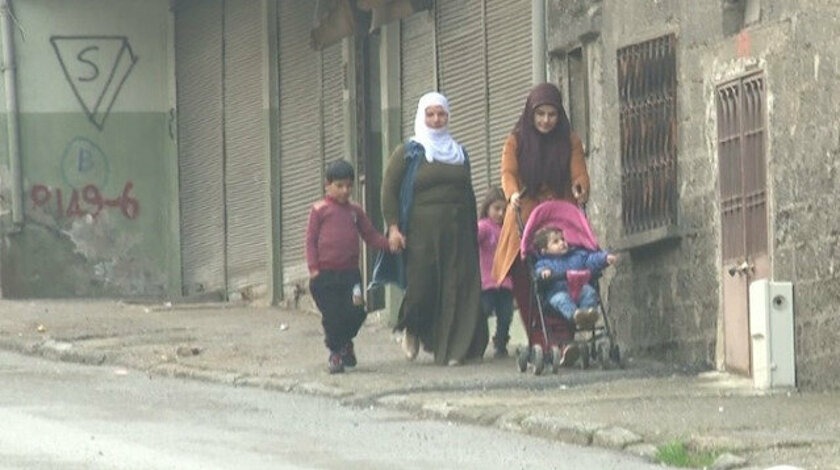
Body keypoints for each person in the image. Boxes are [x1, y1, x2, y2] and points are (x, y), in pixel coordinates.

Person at [380, 91, 487, 366]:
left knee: (457, 288)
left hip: (458, 230)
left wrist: (476, 229)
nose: (437, 119)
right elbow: (389, 191)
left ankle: (453, 350)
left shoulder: (459, 152)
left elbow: (468, 192)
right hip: (421, 233)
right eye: (431, 114)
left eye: (441, 114)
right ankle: (412, 327)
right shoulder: (409, 152)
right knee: (422, 286)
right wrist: (393, 228)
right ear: (421, 116)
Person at [491, 82, 591, 351]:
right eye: (540, 114)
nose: (546, 121)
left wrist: (580, 186)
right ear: (530, 114)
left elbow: (578, 171)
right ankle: (542, 340)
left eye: (552, 114)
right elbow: (508, 173)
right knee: (527, 278)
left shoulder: (569, 140)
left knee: (569, 271)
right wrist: (512, 194)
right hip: (526, 210)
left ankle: (565, 336)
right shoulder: (516, 140)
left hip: (560, 211)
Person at [306, 160, 391, 374]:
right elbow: (310, 241)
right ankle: (336, 353)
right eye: (340, 186)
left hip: (350, 274)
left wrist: (389, 244)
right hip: (325, 275)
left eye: (349, 186)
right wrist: (314, 269)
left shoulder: (355, 211)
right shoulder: (319, 210)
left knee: (356, 312)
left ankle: (345, 343)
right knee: (333, 316)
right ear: (328, 185)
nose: (345, 191)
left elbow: (370, 235)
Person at [532, 226, 617, 329]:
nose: (562, 243)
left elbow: (591, 260)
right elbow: (539, 270)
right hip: (556, 293)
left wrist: (604, 258)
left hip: (578, 289)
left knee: (589, 291)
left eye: (563, 239)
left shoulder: (576, 256)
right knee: (561, 298)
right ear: (544, 250)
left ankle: (587, 315)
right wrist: (544, 272)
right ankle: (576, 316)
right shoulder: (545, 263)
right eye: (556, 242)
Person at [477, 187, 514, 358]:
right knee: (483, 311)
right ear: (487, 208)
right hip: (487, 282)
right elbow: (473, 238)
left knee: (506, 315)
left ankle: (501, 343)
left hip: (505, 281)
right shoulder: (484, 226)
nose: (500, 213)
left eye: (504, 209)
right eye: (496, 209)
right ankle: (477, 342)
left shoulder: (508, 229)